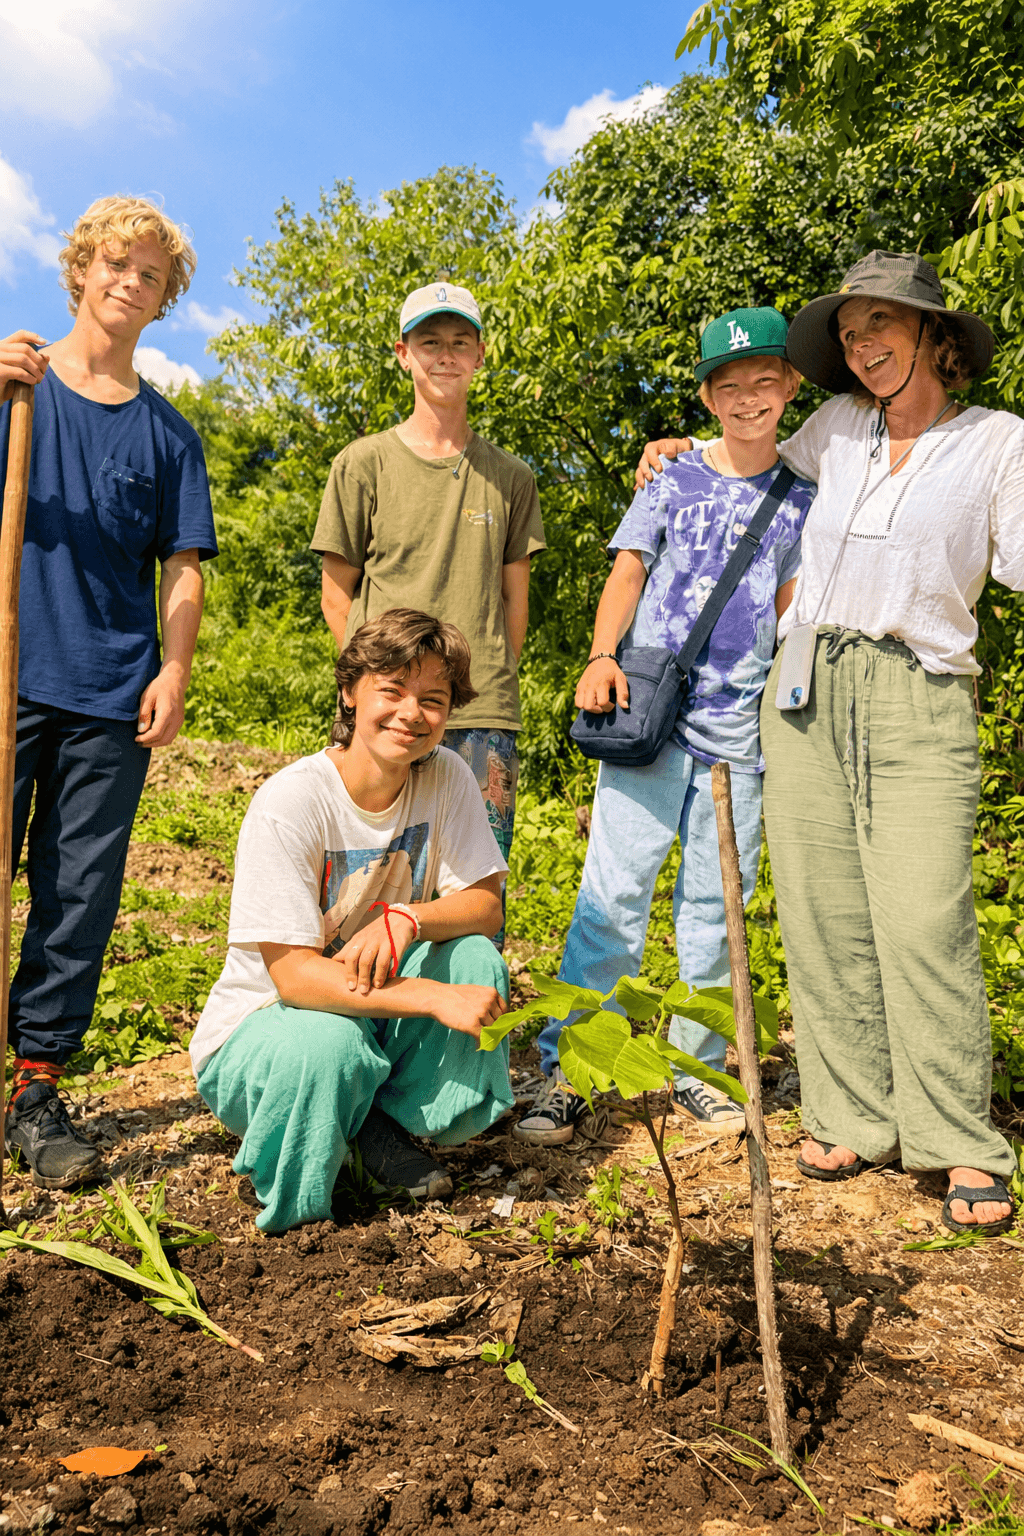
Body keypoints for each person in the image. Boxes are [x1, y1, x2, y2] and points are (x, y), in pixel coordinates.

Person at [634, 252, 1023, 1234]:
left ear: (934, 334)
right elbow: (747, 460)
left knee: (922, 915)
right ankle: (851, 1115)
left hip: (918, 690)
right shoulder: (837, 426)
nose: (862, 345)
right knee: (820, 909)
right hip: (802, 682)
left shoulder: (996, 442)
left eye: (880, 325)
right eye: (849, 332)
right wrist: (673, 451)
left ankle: (959, 1138)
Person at [516, 309, 816, 1146]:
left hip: (739, 734)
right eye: (730, 386)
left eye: (764, 381)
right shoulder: (672, 479)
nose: (748, 399)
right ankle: (570, 1071)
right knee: (611, 897)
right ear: (707, 397)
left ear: (790, 386)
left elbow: (793, 617)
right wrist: (598, 656)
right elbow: (629, 570)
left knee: (717, 910)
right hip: (650, 722)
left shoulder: (802, 501)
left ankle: (699, 1070)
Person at [0, 196, 217, 1191]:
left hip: (109, 693)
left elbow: (182, 566)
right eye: (117, 265)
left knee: (78, 894)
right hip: (8, 677)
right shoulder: (18, 392)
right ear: (81, 267)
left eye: (152, 278)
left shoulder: (169, 437)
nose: (131, 285)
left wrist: (172, 668)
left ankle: (35, 1090)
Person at [189, 608, 515, 1233]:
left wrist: (407, 919)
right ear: (350, 691)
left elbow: (486, 904)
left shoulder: (445, 774)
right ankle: (299, 1212)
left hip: (365, 1015)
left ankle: (377, 1126)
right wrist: (432, 996)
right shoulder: (292, 802)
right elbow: (294, 981)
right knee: (329, 1043)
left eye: (433, 699)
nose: (411, 714)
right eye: (391, 691)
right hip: (268, 1034)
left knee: (477, 957)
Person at [311, 283, 546, 945]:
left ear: (479, 356)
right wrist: (379, 687)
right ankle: (354, 1017)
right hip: (377, 710)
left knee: (473, 894)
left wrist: (474, 683)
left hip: (481, 715)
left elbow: (513, 605)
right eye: (429, 342)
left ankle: (463, 1029)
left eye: (459, 342)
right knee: (362, 881)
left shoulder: (511, 477)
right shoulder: (361, 464)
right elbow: (337, 596)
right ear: (403, 354)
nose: (445, 355)